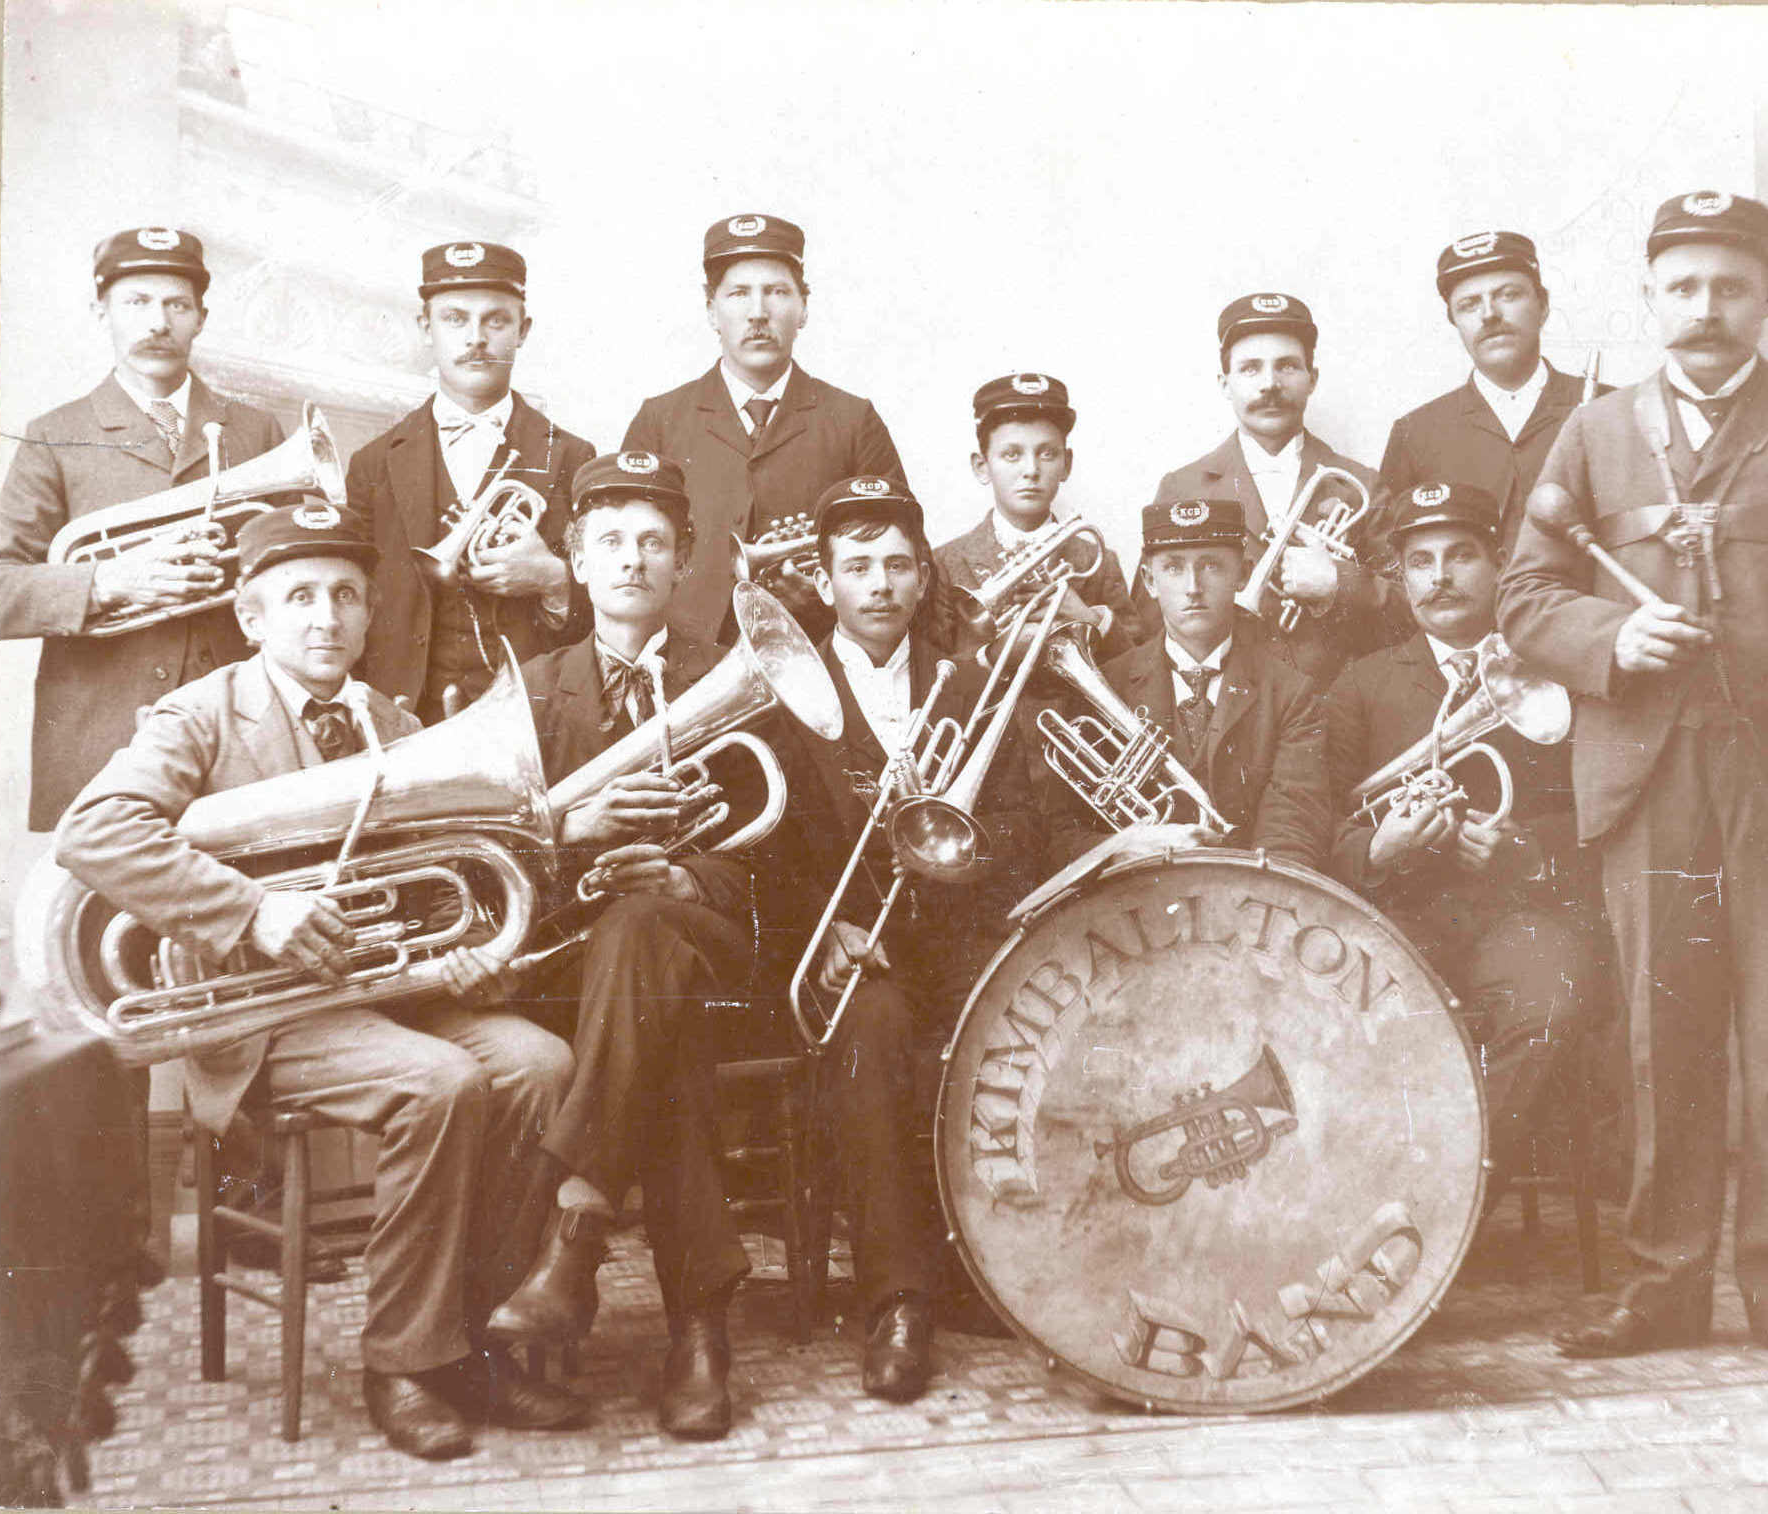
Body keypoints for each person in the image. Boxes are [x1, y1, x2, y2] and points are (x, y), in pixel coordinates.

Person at [54, 505, 583, 1460]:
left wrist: (459, 954)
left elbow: (440, 883)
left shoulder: (390, 719)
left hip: (387, 1000)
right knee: (443, 1084)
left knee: (540, 1063)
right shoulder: (199, 714)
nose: (325, 617)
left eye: (345, 596)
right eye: (298, 597)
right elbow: (98, 831)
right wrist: (251, 910)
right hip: (265, 1020)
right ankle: (404, 1363)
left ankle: (466, 1338)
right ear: (252, 619)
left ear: (371, 614)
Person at [1499, 191, 1768, 1374]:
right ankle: (1662, 1287)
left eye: (1730, 285)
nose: (1706, 308)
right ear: (1650, 297)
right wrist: (1613, 639)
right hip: (1649, 776)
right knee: (1662, 1042)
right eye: (1684, 286)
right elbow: (1525, 596)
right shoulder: (1594, 434)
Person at [485, 452, 757, 1439]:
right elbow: (492, 856)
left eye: (654, 541)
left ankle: (578, 1234)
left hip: (708, 933)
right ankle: (701, 1330)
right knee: (658, 1011)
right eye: (611, 541)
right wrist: (576, 829)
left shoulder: (727, 676)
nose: (633, 558)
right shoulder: (529, 687)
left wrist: (689, 878)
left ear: (684, 558)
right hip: (572, 956)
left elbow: (788, 856)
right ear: (577, 556)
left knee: (649, 930)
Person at [760, 476, 1041, 1402]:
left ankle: (1007, 1267)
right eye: (856, 566)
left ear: (924, 576)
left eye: (895, 565)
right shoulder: (783, 687)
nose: (878, 583)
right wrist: (824, 922)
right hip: (852, 951)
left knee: (1035, 1017)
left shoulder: (970, 679)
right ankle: (900, 1301)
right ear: (825, 579)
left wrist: (966, 844)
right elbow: (760, 840)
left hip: (957, 934)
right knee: (874, 1029)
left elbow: (1025, 817)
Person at [1325, 482, 1603, 1201]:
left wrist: (1530, 850)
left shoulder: (1553, 675)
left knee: (1550, 1003)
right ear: (1400, 577)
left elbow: (1604, 810)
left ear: (1500, 565)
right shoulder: (1359, 685)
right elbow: (1314, 820)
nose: (1440, 577)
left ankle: (1444, 1203)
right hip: (1403, 918)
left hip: (1519, 914)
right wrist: (1381, 850)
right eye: (1420, 561)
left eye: (1460, 556)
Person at [0, 227, 287, 832]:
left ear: (201, 318)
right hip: (102, 735)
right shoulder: (52, 434)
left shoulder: (257, 432)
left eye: (177, 305)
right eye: (137, 302)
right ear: (100, 313)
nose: (159, 322)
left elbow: (294, 571)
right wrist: (107, 583)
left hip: (240, 728)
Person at [620, 214, 906, 646]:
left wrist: (829, 596)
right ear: (711, 309)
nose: (758, 313)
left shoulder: (853, 420)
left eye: (776, 292)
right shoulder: (659, 419)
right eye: (738, 294)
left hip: (817, 653)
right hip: (687, 660)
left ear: (804, 308)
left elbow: (906, 557)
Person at [346, 241, 596, 725]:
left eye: (496, 321)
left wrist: (552, 578)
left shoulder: (572, 455)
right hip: (402, 714)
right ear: (426, 328)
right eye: (455, 319)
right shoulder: (372, 463)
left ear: (522, 331)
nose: (476, 338)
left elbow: (607, 606)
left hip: (531, 712)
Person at [1046, 498, 1329, 873]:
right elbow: (1060, 835)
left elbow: (1291, 834)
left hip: (1246, 904)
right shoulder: (1105, 686)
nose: (1193, 587)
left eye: (1211, 566)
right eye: (1174, 568)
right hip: (1129, 898)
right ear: (1149, 580)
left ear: (1243, 574)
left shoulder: (1292, 693)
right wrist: (1124, 845)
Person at [1139, 293, 1396, 688]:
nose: (1270, 384)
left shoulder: (1360, 485)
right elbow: (1152, 619)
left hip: (1340, 703)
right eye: (1250, 369)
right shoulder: (1182, 487)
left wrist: (1338, 583)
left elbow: (1411, 611)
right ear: (1225, 384)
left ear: (1313, 378)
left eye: (1288, 367)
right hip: (1223, 705)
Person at [1377, 230, 1610, 555]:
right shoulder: (1415, 433)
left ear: (1542, 307)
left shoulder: (1613, 408)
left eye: (1508, 295)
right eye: (1469, 305)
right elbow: (1395, 562)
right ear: (1454, 322)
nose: (1489, 314)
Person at [934, 372, 1141, 660]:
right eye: (1012, 455)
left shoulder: (1099, 562)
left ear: (1066, 465)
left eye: (1047, 454)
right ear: (982, 466)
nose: (1031, 470)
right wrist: (997, 653)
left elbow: (1137, 668)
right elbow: (931, 671)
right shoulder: (944, 564)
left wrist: (1090, 619)